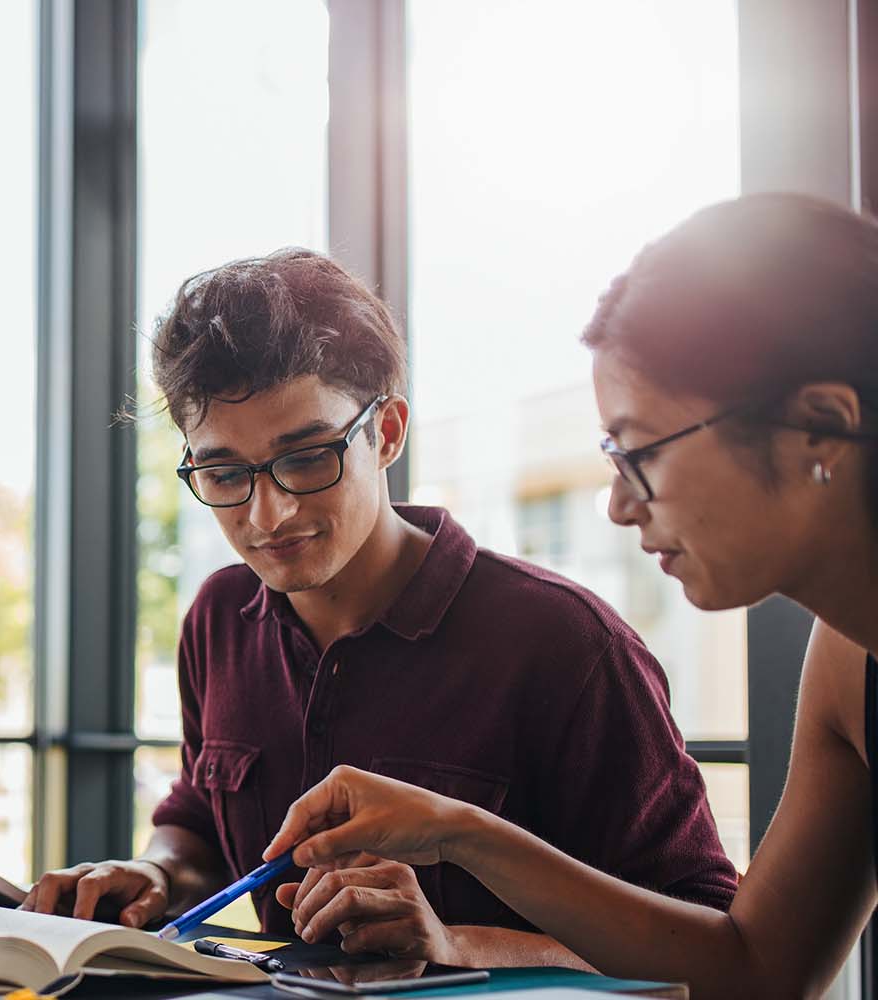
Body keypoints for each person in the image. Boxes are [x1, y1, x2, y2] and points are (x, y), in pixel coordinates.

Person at [21, 250, 736, 968]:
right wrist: (158, 874)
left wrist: (460, 945)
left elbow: (708, 943)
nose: (269, 514)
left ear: (386, 432)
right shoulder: (219, 616)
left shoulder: (567, 644)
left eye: (306, 458)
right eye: (224, 473)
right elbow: (198, 820)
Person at [263, 195, 878, 997]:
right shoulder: (845, 660)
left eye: (640, 453)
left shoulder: (575, 639)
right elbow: (757, 971)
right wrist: (458, 830)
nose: (621, 504)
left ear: (821, 427)